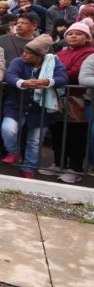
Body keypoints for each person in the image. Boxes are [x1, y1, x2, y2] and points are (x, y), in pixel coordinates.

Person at [1, 34, 68, 179]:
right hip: (16, 106)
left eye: (29, 53)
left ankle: (28, 168)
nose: (24, 54)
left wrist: (48, 81)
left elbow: (63, 78)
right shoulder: (18, 62)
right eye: (25, 51)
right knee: (8, 130)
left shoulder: (52, 62)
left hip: (41, 109)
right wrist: (22, 83)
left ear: (39, 56)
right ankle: (14, 152)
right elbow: (10, 75)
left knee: (35, 141)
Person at [43, 22, 94, 182]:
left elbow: (75, 73)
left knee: (75, 134)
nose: (73, 36)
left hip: (77, 98)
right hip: (57, 97)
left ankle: (75, 168)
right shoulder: (61, 52)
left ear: (87, 37)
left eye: (79, 34)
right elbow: (49, 68)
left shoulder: (89, 52)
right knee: (57, 131)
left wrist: (56, 77)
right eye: (71, 33)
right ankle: (58, 163)